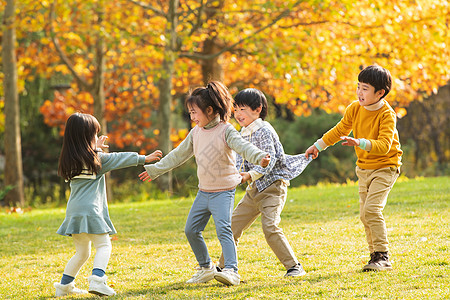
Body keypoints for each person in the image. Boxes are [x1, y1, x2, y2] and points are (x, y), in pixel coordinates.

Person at [139, 81, 271, 286]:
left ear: (209, 110)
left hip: (223, 191)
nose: (192, 117)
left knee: (223, 229)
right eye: (190, 113)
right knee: (191, 230)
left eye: (194, 113)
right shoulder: (196, 133)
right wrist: (155, 170)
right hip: (204, 192)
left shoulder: (226, 130)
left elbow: (243, 147)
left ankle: (231, 270)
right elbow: (177, 155)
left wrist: (260, 156)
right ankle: (206, 267)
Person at [305, 65, 402, 272]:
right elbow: (340, 129)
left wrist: (359, 142)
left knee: (372, 210)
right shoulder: (354, 108)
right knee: (364, 214)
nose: (359, 92)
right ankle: (375, 256)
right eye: (358, 86)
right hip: (364, 168)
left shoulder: (387, 114)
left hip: (386, 167)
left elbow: (384, 146)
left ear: (380, 93)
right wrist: (318, 146)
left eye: (365, 88)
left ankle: (383, 256)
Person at [54, 113, 162, 297]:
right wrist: (145, 158)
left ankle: (64, 286)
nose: (97, 138)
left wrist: (96, 149)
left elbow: (94, 156)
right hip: (92, 211)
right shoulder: (98, 160)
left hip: (74, 212)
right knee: (104, 246)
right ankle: (97, 280)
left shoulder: (68, 160)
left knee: (81, 252)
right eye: (94, 135)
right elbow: (120, 158)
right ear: (87, 138)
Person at [217, 88, 312, 277]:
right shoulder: (242, 133)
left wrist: (250, 175)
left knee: (270, 226)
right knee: (233, 226)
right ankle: (223, 267)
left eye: (242, 109)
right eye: (235, 110)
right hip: (254, 191)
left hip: (273, 188)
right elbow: (238, 160)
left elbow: (271, 160)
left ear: (258, 109)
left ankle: (294, 267)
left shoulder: (264, 130)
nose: (238, 114)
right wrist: (234, 176)